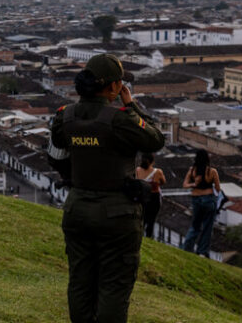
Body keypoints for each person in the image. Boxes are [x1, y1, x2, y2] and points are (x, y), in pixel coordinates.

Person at [46, 53, 165, 323]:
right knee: (114, 284)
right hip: (117, 212)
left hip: (77, 207)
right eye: (121, 83)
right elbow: (155, 139)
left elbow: (57, 150)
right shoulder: (120, 118)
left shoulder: (65, 116)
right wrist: (131, 105)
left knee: (80, 281)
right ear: (113, 86)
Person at [182, 149, 221, 257]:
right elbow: (218, 188)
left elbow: (185, 185)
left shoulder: (192, 170)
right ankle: (202, 251)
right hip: (209, 199)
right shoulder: (212, 171)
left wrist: (194, 184)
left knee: (195, 225)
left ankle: (187, 248)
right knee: (207, 226)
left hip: (196, 199)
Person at [135, 153, 166, 239]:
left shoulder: (138, 170)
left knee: (142, 218)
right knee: (151, 220)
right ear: (152, 161)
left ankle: (139, 236)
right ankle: (148, 237)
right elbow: (163, 182)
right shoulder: (157, 172)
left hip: (142, 196)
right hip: (154, 197)